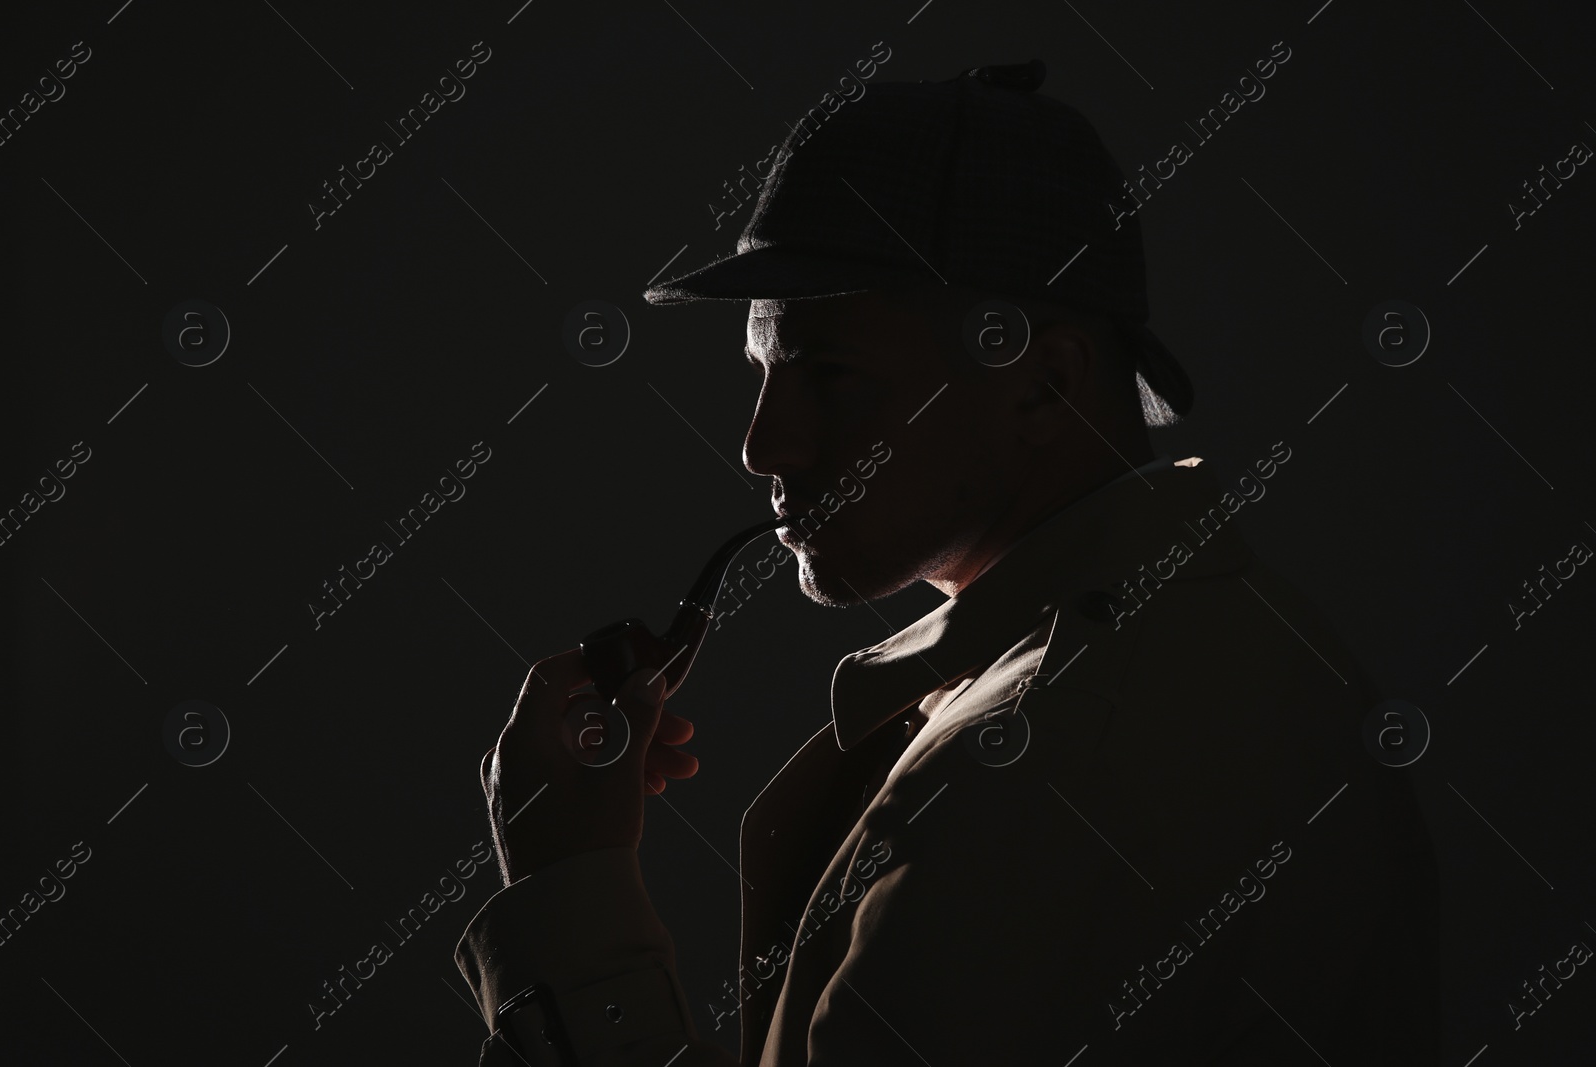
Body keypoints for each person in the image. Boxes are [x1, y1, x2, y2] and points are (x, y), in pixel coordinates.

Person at [455, 61, 1440, 1065]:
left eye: (829, 372)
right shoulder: (1169, 660)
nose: (763, 444)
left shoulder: (1056, 757)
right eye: (761, 371)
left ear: (1042, 385)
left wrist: (567, 891)